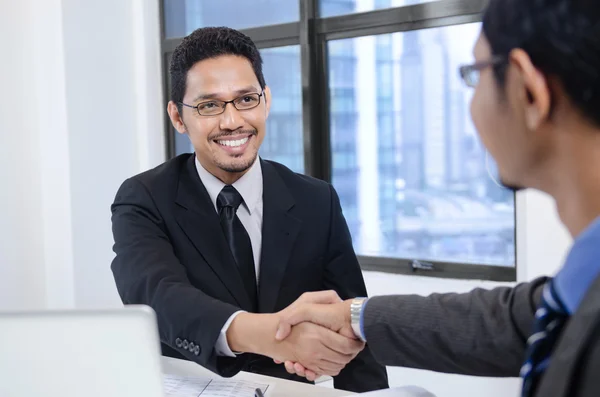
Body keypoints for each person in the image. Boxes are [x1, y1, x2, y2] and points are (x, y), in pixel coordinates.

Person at [274, 0, 600, 396]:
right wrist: (355, 316)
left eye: (474, 76)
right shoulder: (582, 283)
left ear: (528, 90)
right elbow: (519, 319)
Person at [110, 27, 388, 392]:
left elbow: (354, 329)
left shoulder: (316, 200)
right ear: (178, 117)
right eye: (209, 105)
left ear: (267, 100)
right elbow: (158, 297)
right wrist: (274, 336)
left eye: (246, 99)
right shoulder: (145, 197)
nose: (232, 121)